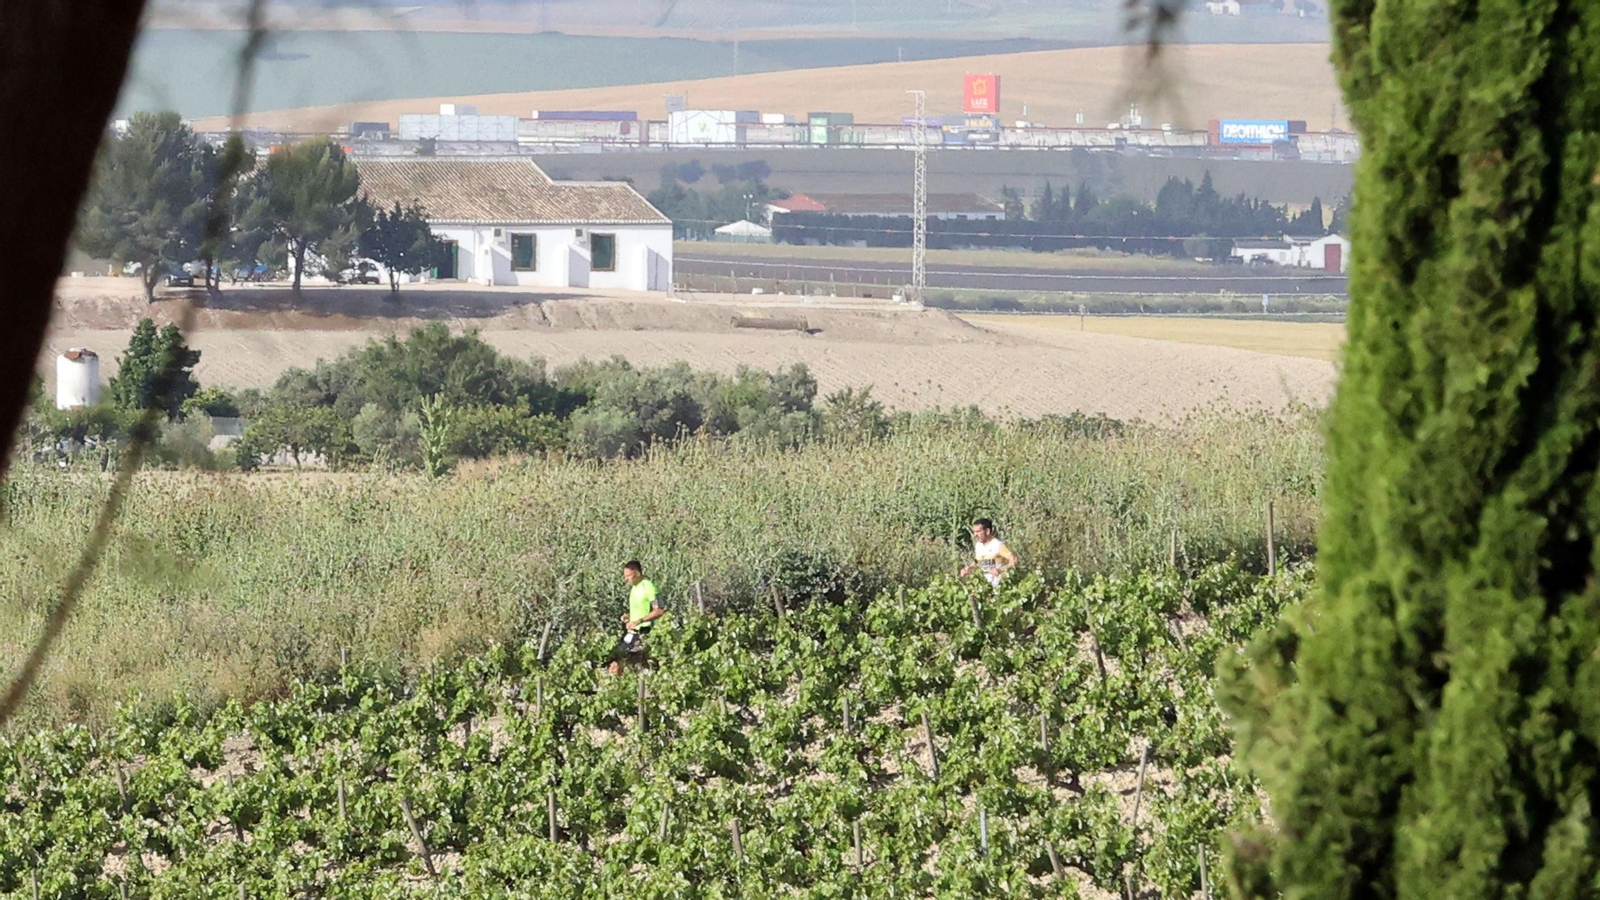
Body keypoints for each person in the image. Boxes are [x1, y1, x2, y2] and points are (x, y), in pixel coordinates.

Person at [607, 560, 665, 675]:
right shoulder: (634, 588)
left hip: (644, 631)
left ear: (637, 573)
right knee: (616, 660)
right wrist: (628, 618)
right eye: (625, 576)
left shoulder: (649, 586)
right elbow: (640, 610)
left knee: (623, 662)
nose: (626, 579)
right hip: (632, 632)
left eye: (628, 575)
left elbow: (659, 610)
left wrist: (639, 621)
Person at [960, 518, 1018, 587]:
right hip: (983, 586)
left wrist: (1000, 570)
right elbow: (977, 562)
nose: (975, 535)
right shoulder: (978, 546)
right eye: (974, 532)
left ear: (987, 531)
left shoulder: (997, 545)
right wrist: (968, 569)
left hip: (999, 586)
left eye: (978, 531)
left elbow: (1014, 560)